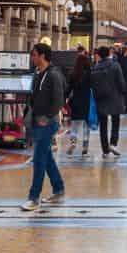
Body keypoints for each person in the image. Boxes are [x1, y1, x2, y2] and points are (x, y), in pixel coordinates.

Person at [23, 42, 67, 212]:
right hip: (37, 119)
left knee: (39, 159)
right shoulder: (37, 73)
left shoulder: (54, 75)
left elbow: (58, 100)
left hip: (47, 122)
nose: (32, 58)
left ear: (42, 56)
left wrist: (47, 118)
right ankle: (58, 187)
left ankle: (33, 197)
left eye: (34, 54)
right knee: (46, 156)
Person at [89, 45, 126, 157]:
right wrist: (123, 92)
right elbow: (121, 83)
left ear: (99, 55)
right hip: (115, 98)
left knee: (103, 124)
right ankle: (113, 143)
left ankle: (105, 149)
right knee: (115, 121)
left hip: (101, 98)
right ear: (109, 54)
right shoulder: (115, 65)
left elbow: (92, 84)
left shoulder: (95, 67)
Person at [66, 51, 93, 157]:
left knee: (75, 125)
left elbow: (69, 89)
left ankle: (73, 142)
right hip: (87, 102)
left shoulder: (73, 74)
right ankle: (85, 147)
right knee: (87, 126)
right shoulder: (90, 74)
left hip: (76, 102)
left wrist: (65, 98)